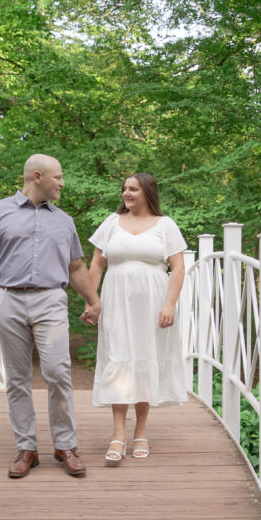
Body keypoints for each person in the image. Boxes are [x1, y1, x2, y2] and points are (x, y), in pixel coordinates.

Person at [0, 154, 102, 479]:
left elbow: (75, 267)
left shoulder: (64, 221)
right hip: (8, 299)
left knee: (58, 372)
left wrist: (93, 299)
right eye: (58, 177)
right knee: (17, 378)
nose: (62, 183)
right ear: (38, 176)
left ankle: (65, 446)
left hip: (50, 300)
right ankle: (26, 448)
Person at [86, 173, 187, 466]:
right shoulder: (111, 223)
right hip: (116, 301)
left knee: (144, 359)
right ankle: (118, 434)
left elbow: (178, 269)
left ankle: (140, 431)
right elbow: (96, 264)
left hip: (153, 302)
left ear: (147, 193)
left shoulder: (165, 225)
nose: (126, 193)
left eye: (133, 189)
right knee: (119, 358)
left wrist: (170, 304)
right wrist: (92, 301)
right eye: (125, 189)